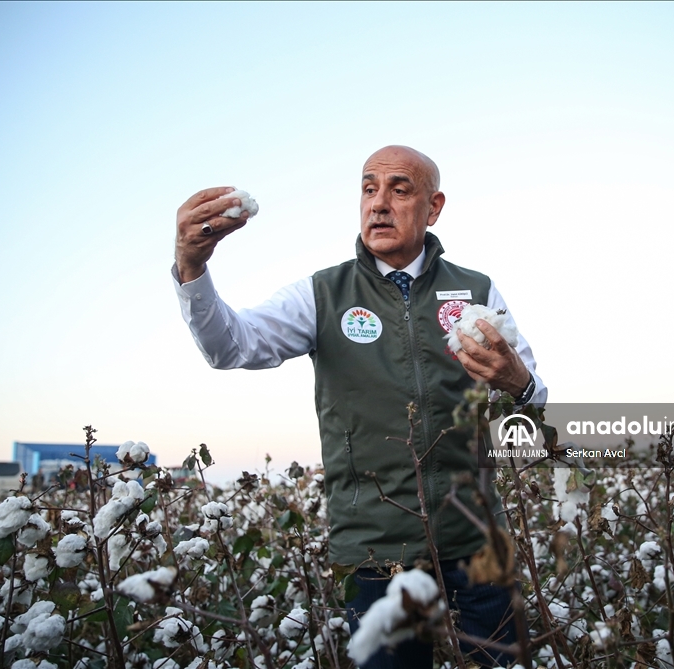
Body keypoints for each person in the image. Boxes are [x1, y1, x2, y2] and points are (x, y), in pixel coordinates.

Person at [173, 146, 547, 667]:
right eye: (369, 189)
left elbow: (535, 409)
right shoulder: (322, 294)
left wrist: (519, 383)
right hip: (375, 549)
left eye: (399, 189)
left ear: (433, 207)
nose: (379, 204)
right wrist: (192, 268)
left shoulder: (477, 289)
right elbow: (229, 346)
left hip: (478, 542)